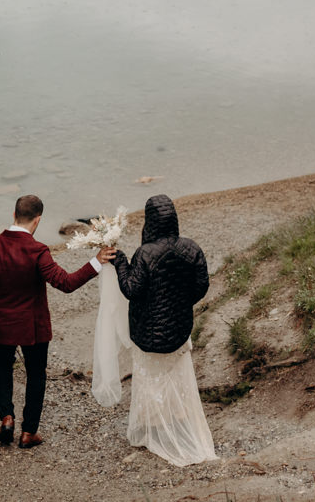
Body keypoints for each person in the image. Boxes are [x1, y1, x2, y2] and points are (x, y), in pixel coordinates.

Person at [0, 194, 116, 449]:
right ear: (38, 220)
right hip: (33, 326)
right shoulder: (37, 250)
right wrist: (97, 261)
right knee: (36, 376)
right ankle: (28, 433)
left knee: (3, 371)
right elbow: (66, 283)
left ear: (13, 215)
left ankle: (7, 418)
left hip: (3, 323)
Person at [111, 193, 217, 466]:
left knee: (150, 378)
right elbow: (201, 285)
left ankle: (153, 429)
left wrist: (120, 261)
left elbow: (131, 290)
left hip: (148, 332)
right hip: (180, 328)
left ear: (149, 222)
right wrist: (180, 304)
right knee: (176, 375)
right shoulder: (191, 248)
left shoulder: (144, 253)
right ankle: (176, 420)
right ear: (174, 219)